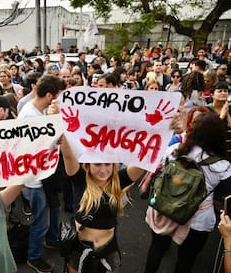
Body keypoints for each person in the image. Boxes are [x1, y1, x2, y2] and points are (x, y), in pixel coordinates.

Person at [47, 100, 144, 272]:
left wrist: (168, 129)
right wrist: (57, 119)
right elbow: (68, 154)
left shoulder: (118, 180)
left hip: (109, 250)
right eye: (98, 164)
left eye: (108, 164)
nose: (103, 170)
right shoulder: (79, 180)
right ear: (88, 164)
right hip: (79, 248)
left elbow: (146, 159)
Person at [144, 112, 231, 273]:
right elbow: (220, 198)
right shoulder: (223, 166)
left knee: (156, 249)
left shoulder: (175, 150)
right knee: (186, 260)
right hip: (198, 220)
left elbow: (160, 171)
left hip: (165, 207)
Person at [18, 74, 65, 273]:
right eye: (58, 96)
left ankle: (50, 241)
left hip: (44, 177)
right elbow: (32, 150)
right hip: (35, 180)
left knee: (50, 212)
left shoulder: (38, 110)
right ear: (48, 96)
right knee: (40, 220)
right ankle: (34, 257)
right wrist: (56, 140)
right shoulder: (30, 116)